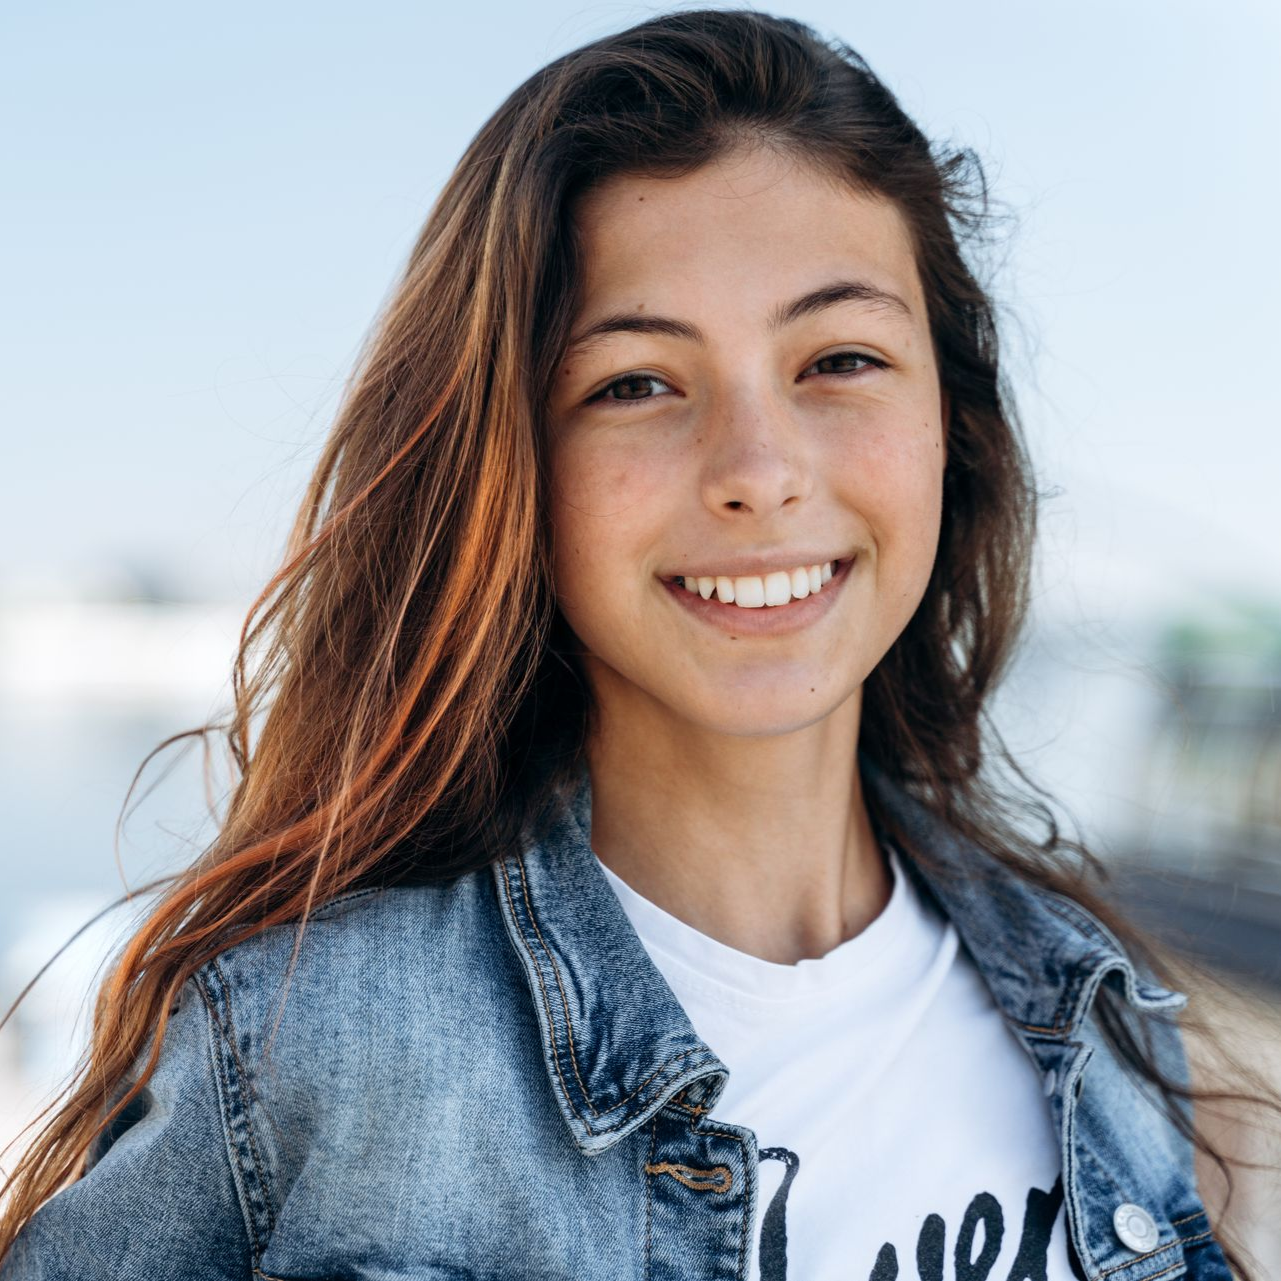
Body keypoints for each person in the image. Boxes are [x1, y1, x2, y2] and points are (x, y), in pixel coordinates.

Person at [1, 9, 1277, 1279]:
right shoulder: (301, 1043)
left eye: (838, 358)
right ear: (515, 468)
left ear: (955, 424)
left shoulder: (1107, 1020)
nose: (759, 472)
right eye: (636, 383)